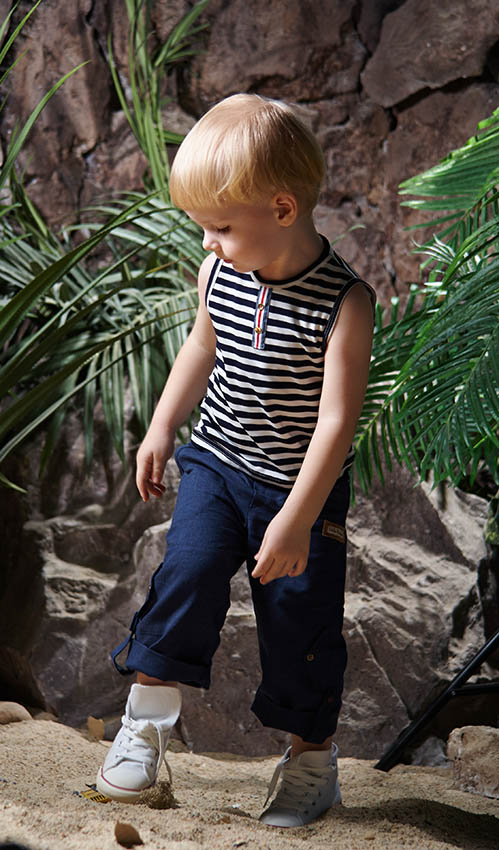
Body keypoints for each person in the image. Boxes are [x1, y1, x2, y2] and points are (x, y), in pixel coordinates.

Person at [96, 93, 375, 828]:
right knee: (185, 573)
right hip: (217, 464)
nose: (209, 242)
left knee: (299, 623)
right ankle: (144, 728)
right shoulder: (217, 274)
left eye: (220, 227)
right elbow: (202, 345)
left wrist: (296, 519)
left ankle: (311, 763)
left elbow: (337, 422)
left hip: (299, 491)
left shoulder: (344, 303)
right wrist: (163, 426)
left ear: (282, 209)